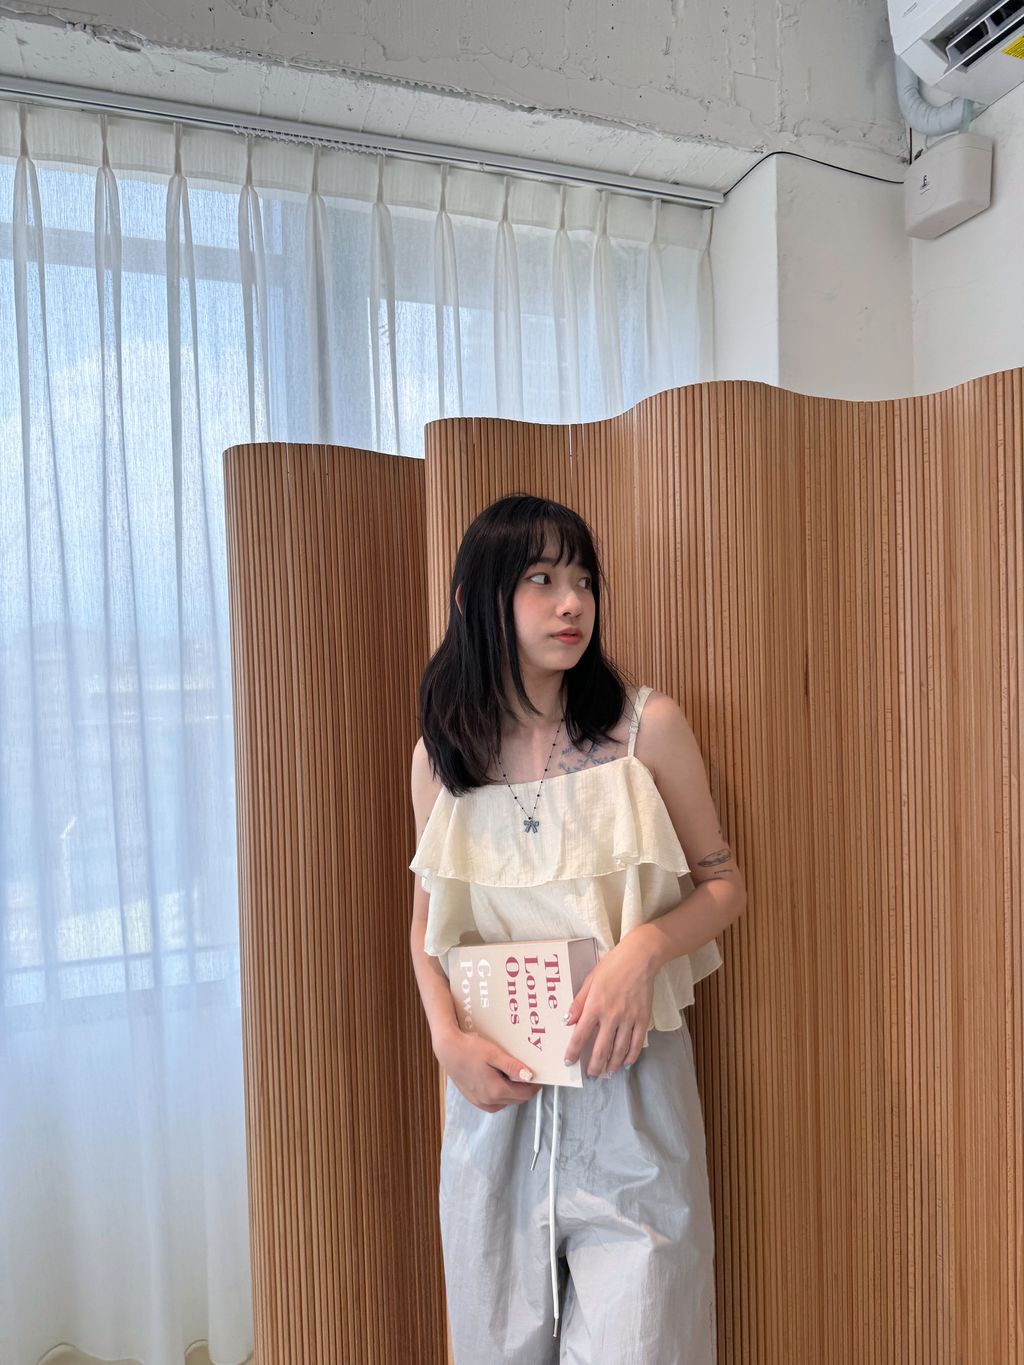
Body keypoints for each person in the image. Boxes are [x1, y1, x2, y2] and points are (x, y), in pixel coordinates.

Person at [407, 493, 747, 1364]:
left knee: (646, 1340)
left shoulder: (644, 730)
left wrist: (645, 950)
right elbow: (426, 928)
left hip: (632, 1092)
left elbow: (723, 885)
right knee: (495, 1346)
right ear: (476, 597)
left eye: (584, 580)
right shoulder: (443, 758)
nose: (572, 603)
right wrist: (446, 1041)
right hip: (495, 1102)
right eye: (541, 578)